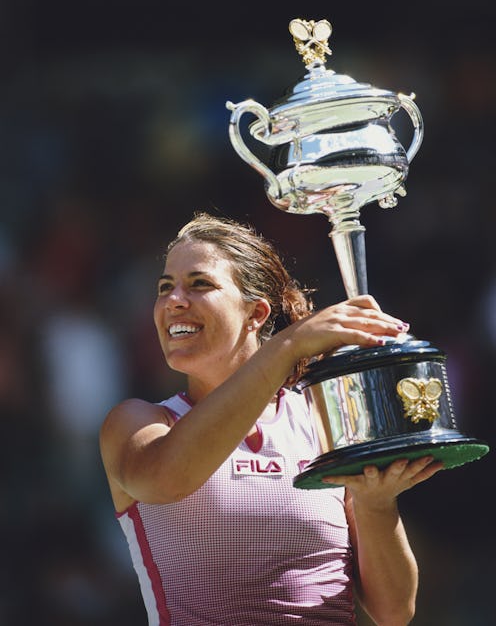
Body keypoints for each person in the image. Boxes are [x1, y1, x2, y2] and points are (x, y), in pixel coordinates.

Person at [100, 212, 443, 626]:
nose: (174, 300)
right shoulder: (137, 422)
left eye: (199, 283)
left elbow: (394, 612)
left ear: (256, 314)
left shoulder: (321, 417)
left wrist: (376, 505)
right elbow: (164, 479)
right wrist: (287, 348)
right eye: (164, 287)